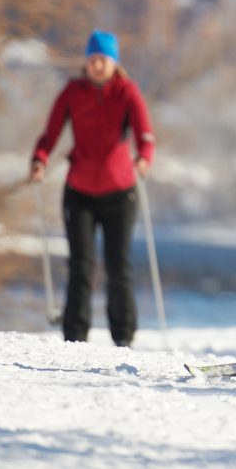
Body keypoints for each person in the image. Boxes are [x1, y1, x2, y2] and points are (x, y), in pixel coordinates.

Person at [30, 30, 156, 347]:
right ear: (86, 62)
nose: (97, 65)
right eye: (93, 60)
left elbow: (145, 134)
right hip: (80, 192)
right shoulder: (73, 92)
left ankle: (123, 338)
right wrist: (39, 159)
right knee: (81, 265)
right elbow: (50, 133)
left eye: (103, 60)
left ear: (114, 63)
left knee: (118, 265)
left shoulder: (127, 92)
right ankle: (75, 336)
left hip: (120, 192)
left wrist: (144, 159)